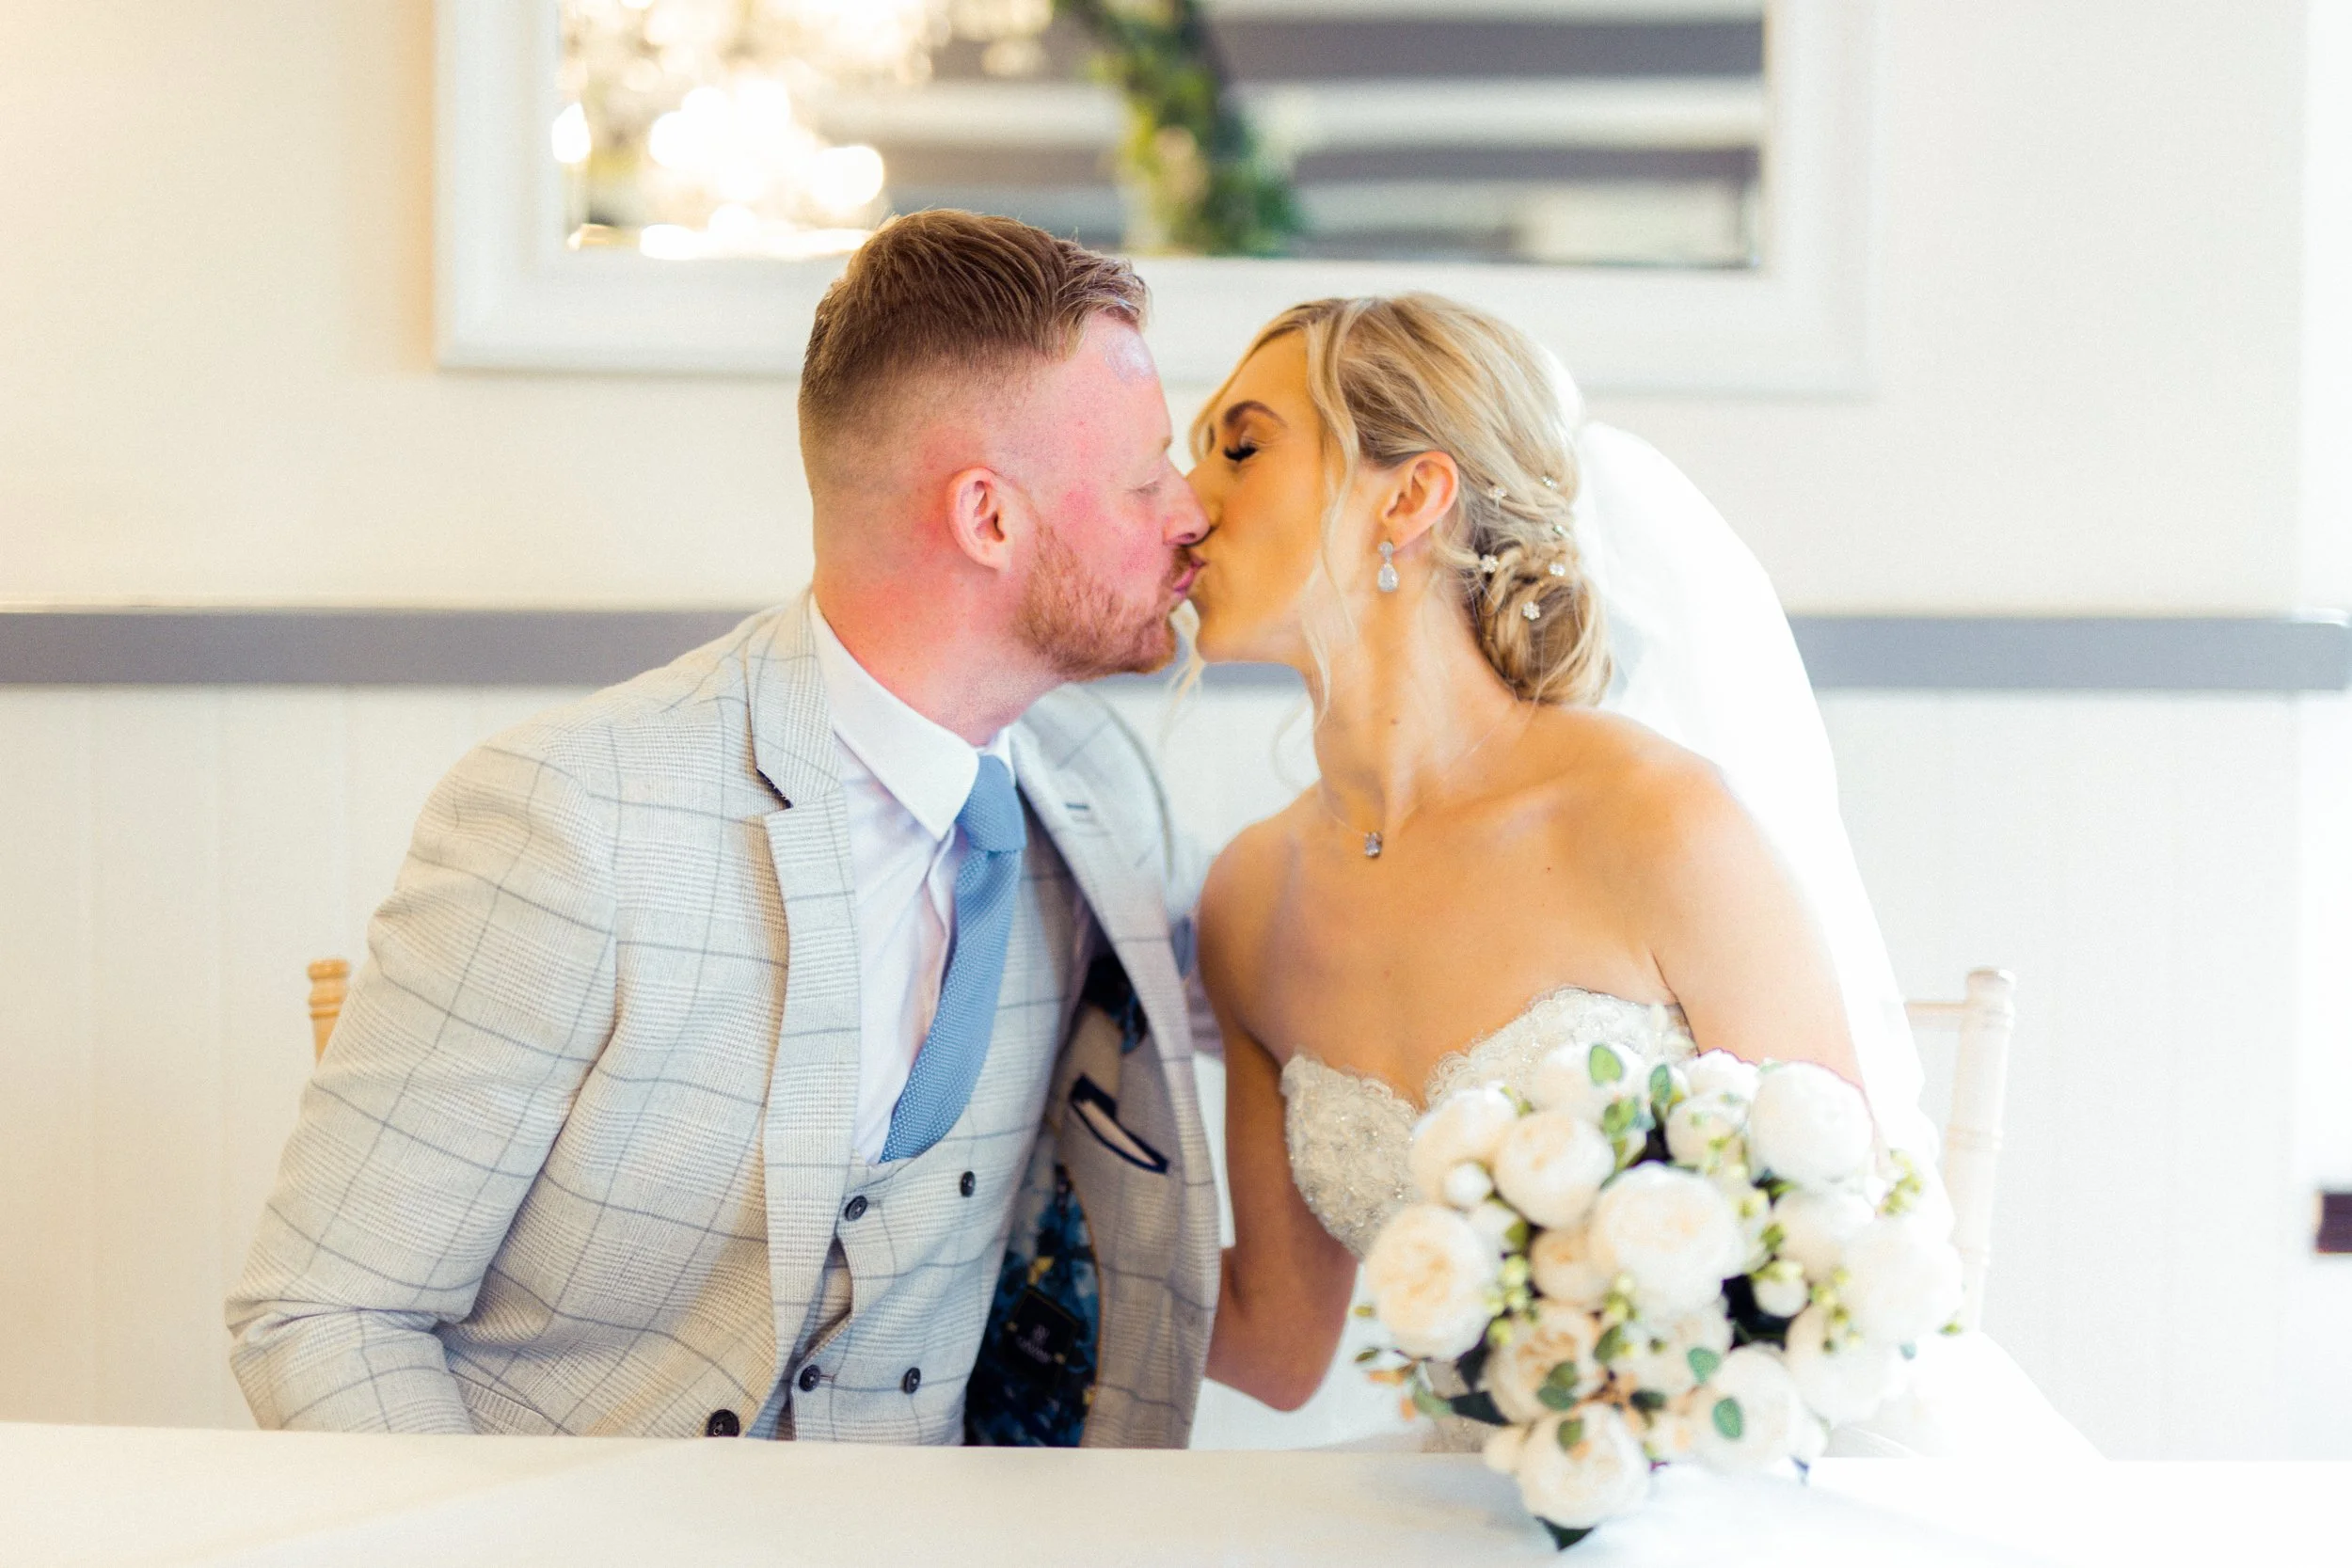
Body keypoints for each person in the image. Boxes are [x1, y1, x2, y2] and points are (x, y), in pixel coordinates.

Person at [227, 210, 1223, 1447]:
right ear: (989, 518)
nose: (1195, 511)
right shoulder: (575, 817)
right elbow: (326, 1313)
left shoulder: (1101, 794)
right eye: (1148, 475)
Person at [1187, 294, 1876, 1413]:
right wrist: (995, 1238)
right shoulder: (1251, 897)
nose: (1186, 503)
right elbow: (1273, 1342)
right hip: (1467, 1498)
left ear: (1408, 497)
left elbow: (1839, 1245)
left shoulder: (1654, 821)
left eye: (1241, 447)